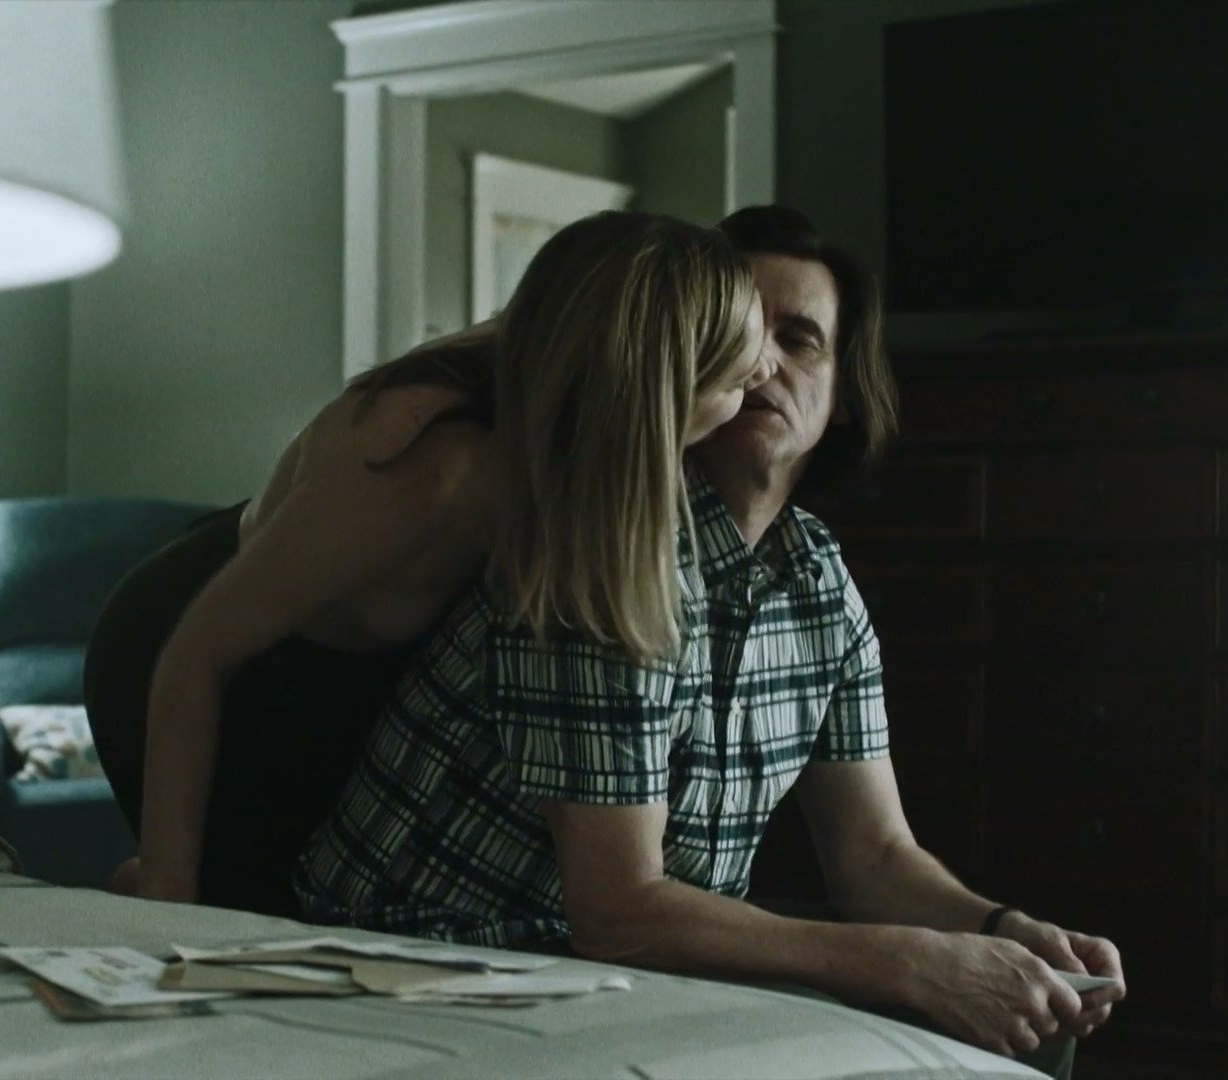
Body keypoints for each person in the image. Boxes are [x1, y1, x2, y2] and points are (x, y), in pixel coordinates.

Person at [293, 205, 1124, 1078]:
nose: (762, 361)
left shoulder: (816, 576)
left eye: (799, 339)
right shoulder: (608, 543)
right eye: (737, 331)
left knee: (1020, 1036)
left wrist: (999, 931)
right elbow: (618, 911)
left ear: (843, 395)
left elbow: (876, 854)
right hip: (430, 955)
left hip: (618, 972)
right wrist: (907, 962)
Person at [83, 210, 775, 917]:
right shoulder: (431, 468)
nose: (766, 376)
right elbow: (196, 656)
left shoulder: (567, 400)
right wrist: (169, 885)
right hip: (192, 647)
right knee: (226, 920)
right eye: (737, 381)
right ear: (658, 397)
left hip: (344, 666)